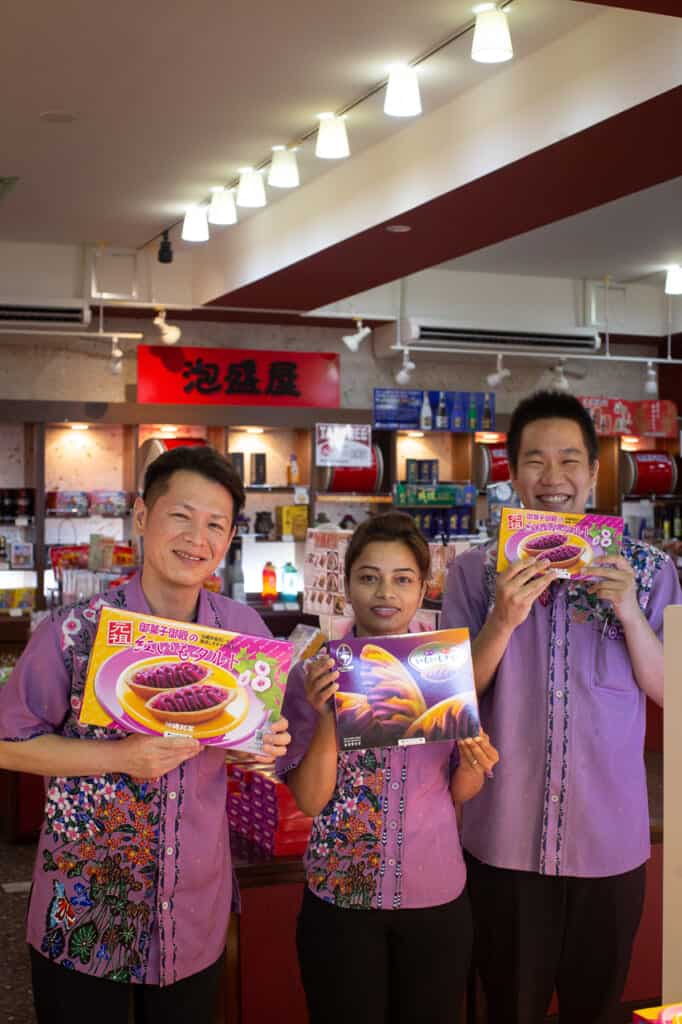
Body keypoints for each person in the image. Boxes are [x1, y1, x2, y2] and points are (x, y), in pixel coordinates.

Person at [0, 445, 291, 1024]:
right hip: (85, 908)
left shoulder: (242, 632)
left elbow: (257, 748)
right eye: (180, 516)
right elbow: (8, 743)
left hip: (192, 911)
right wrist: (120, 758)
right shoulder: (74, 631)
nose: (197, 538)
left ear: (231, 537)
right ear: (141, 517)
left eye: (215, 524)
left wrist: (263, 747)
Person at [441, 391, 682, 1024]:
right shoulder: (473, 572)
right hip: (504, 838)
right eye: (536, 461)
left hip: (609, 841)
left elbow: (671, 692)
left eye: (570, 460)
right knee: (508, 1007)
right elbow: (450, 698)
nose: (554, 478)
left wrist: (630, 611)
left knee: (596, 1008)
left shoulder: (649, 570)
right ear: (513, 473)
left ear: (593, 472)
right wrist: (504, 617)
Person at [280, 511, 499, 1024]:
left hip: (435, 896)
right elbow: (310, 801)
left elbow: (460, 791)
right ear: (347, 586)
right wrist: (329, 719)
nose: (386, 592)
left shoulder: (443, 669)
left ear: (424, 588)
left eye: (403, 579)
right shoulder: (312, 676)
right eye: (369, 576)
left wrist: (474, 760)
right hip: (340, 900)